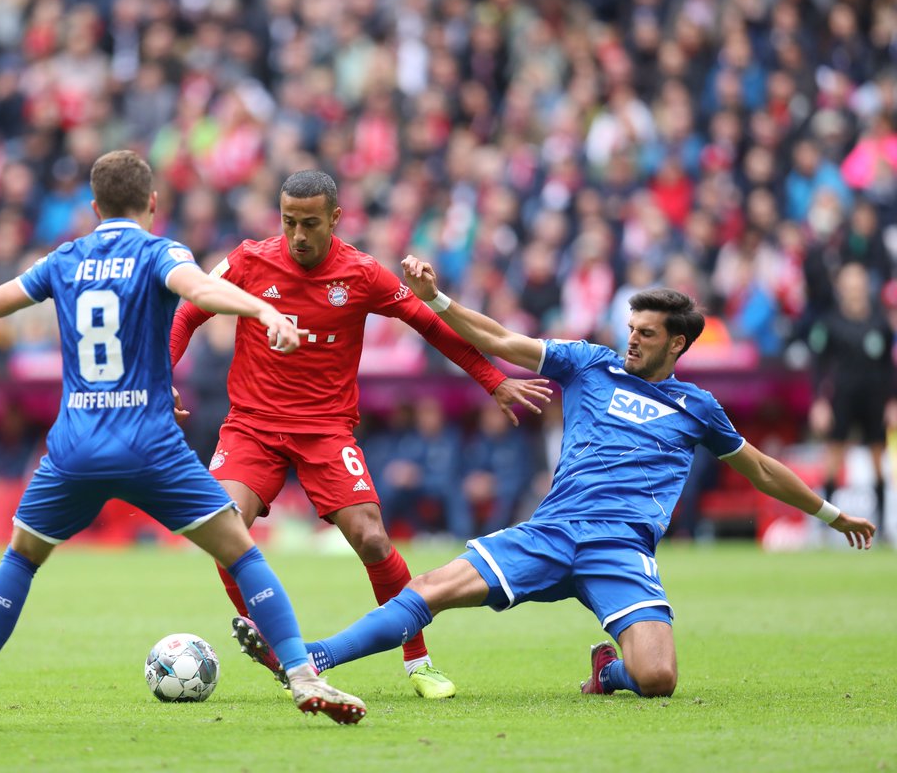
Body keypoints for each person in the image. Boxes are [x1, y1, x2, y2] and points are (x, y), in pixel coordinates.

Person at [234, 256, 875, 700]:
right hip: (555, 530)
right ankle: (313, 656)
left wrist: (830, 513)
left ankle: (609, 673)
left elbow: (759, 467)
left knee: (657, 681)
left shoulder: (697, 408)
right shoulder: (590, 364)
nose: (631, 341)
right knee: (431, 586)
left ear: (677, 346)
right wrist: (437, 300)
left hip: (621, 548)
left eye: (646, 335)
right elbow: (504, 340)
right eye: (630, 328)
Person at [0, 150, 366, 728]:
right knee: (241, 552)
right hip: (149, 445)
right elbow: (203, 293)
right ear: (153, 203)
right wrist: (266, 313)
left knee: (21, 558)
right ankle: (301, 674)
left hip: (75, 448)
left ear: (93, 207)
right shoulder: (159, 252)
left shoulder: (63, 259)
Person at [170, 170, 552, 699]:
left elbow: (431, 324)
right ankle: (275, 646)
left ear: (334, 219)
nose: (298, 235)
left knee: (371, 537)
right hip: (253, 426)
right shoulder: (249, 260)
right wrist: (159, 375)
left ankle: (417, 660)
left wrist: (493, 381)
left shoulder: (362, 273)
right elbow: (187, 312)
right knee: (224, 526)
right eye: (288, 222)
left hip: (326, 429)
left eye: (309, 223)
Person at [808, 262, 896, 542]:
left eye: (858, 283)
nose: (854, 290)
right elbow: (819, 365)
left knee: (877, 457)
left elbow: (888, 367)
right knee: (834, 457)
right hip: (842, 399)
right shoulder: (830, 323)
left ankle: (881, 524)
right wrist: (819, 402)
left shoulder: (879, 323)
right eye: (849, 284)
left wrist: (892, 402)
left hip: (874, 399)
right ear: (841, 288)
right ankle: (824, 525)